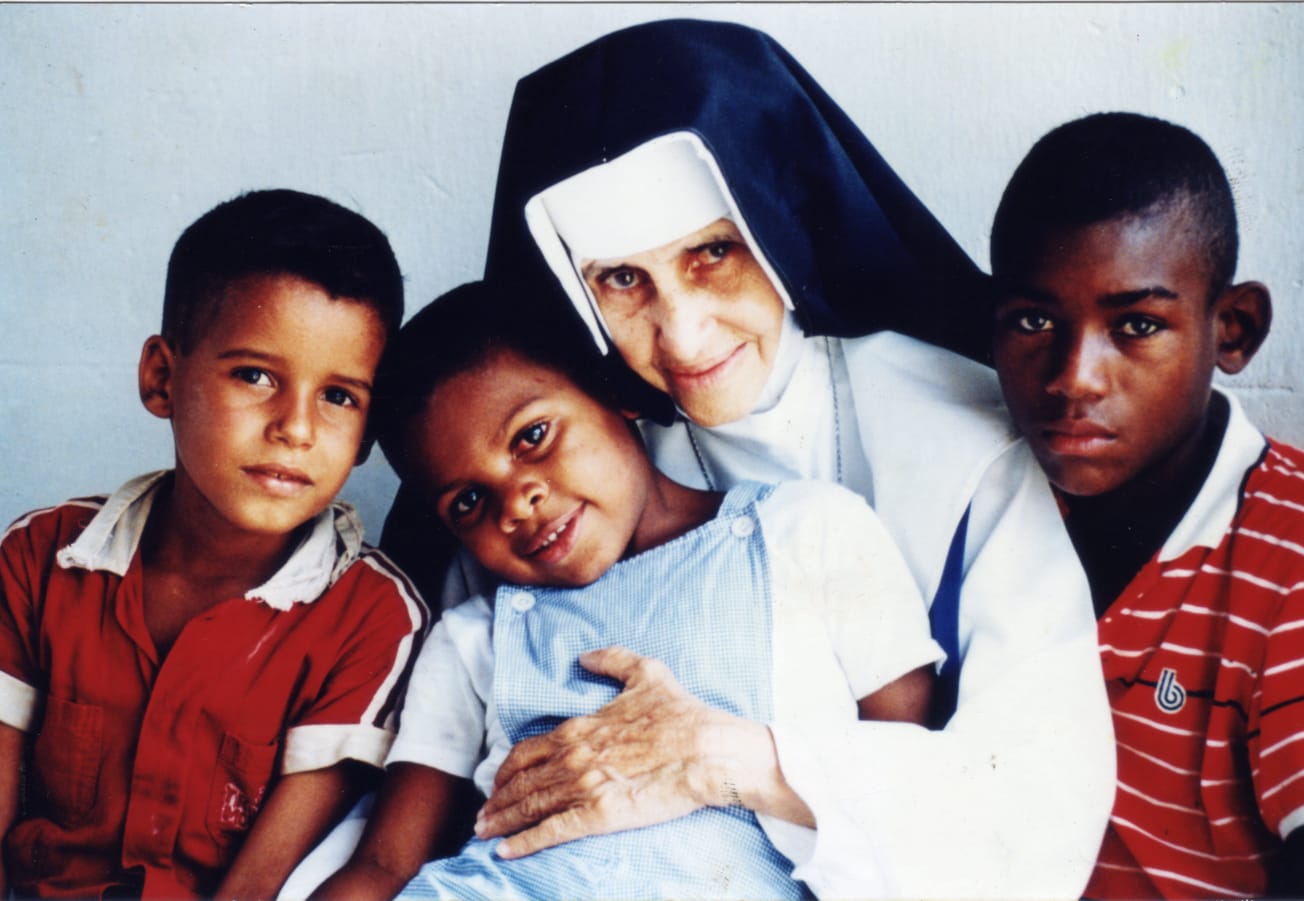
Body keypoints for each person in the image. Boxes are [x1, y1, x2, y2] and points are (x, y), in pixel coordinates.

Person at [385, 18, 1115, 899]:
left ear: (779, 225)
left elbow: (1036, 820)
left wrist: (725, 757)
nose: (682, 334)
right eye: (620, 280)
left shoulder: (964, 438)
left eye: (713, 252)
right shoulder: (574, 459)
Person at [310, 282, 941, 900]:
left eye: (533, 437)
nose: (517, 503)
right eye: (469, 501)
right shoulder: (474, 636)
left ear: (615, 393)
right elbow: (386, 864)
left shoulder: (805, 529)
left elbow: (913, 779)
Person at [0, 189, 428, 899]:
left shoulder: (372, 617)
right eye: (255, 375)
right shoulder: (41, 558)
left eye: (339, 396)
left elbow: (257, 886)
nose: (296, 427)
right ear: (162, 377)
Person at [989, 112, 1304, 900]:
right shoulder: (975, 491)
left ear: (1231, 329)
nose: (1074, 377)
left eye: (1135, 325)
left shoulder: (1297, 554)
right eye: (1034, 322)